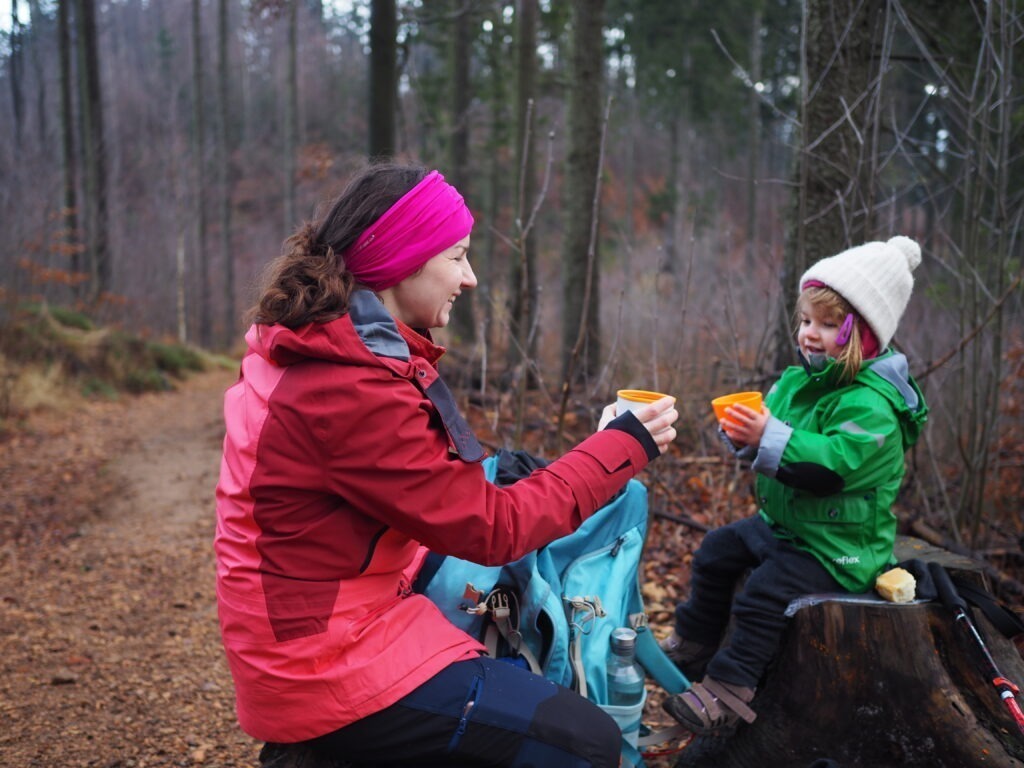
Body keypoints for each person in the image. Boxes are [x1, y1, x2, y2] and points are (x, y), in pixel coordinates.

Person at [213, 161, 678, 768]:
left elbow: (413, 481)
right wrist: (625, 445)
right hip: (321, 663)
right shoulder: (345, 386)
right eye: (457, 256)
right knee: (584, 742)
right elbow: (496, 528)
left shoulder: (322, 346)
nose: (472, 278)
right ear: (402, 259)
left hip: (305, 630)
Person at [660, 236, 929, 735]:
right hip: (789, 526)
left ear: (864, 336)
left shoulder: (873, 406)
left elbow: (830, 467)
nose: (810, 334)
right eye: (807, 320)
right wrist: (745, 435)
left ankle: (728, 690)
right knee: (719, 549)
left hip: (839, 546)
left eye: (829, 325)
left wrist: (771, 437)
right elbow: (775, 437)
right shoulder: (800, 381)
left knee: (765, 592)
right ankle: (695, 642)